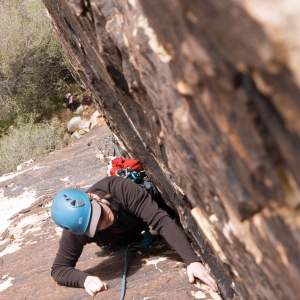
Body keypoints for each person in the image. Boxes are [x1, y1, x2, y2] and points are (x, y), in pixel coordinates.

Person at [51, 176, 219, 296]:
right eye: (95, 227)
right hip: (122, 238)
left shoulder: (120, 189)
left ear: (92, 197)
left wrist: (192, 261)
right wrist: (84, 280)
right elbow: (59, 269)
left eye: (99, 214)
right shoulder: (77, 230)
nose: (103, 222)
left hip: (143, 219)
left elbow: (160, 220)